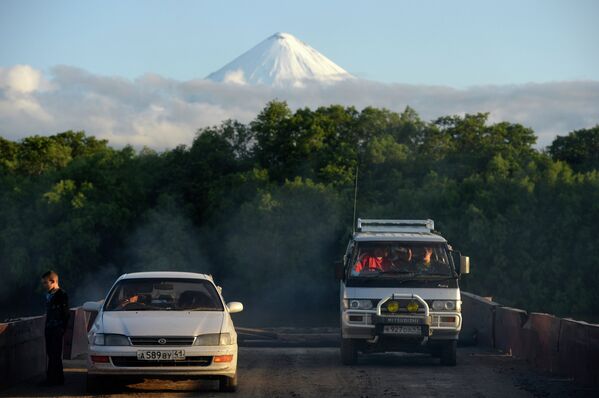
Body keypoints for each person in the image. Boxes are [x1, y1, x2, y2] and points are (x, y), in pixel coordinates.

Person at [40, 270, 70, 387]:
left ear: (53, 281)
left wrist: (63, 329)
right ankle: (55, 378)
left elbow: (66, 314)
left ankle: (55, 379)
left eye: (45, 283)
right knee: (50, 354)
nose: (44, 285)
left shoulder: (62, 294)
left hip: (57, 328)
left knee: (55, 354)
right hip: (49, 328)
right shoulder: (48, 294)